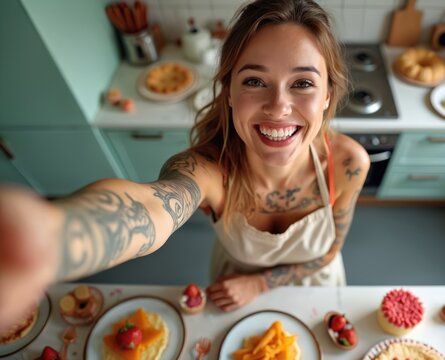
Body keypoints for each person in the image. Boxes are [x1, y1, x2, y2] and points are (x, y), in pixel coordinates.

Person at [0, 0, 369, 333]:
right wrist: (51, 239)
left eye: (303, 83)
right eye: (254, 81)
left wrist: (260, 284)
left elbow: (328, 250)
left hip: (316, 292)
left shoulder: (348, 162)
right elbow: (151, 206)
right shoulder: (209, 168)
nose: (278, 106)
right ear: (229, 95)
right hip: (231, 292)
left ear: (327, 97)